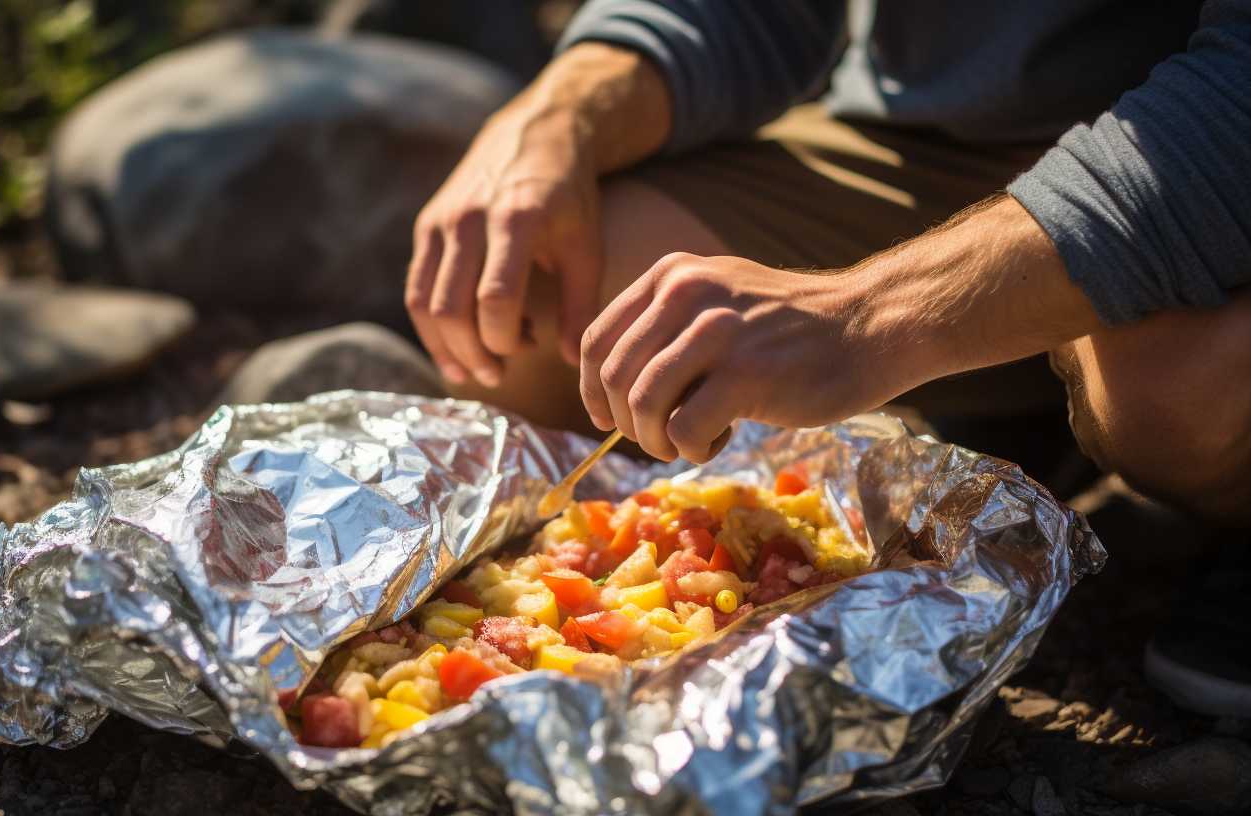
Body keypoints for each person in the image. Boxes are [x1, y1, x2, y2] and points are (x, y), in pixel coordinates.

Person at [404, 2, 1251, 717]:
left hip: (1201, 141)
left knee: (1176, 390)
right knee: (554, 294)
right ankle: (1017, 390)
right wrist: (558, 114)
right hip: (947, 149)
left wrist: (866, 317)